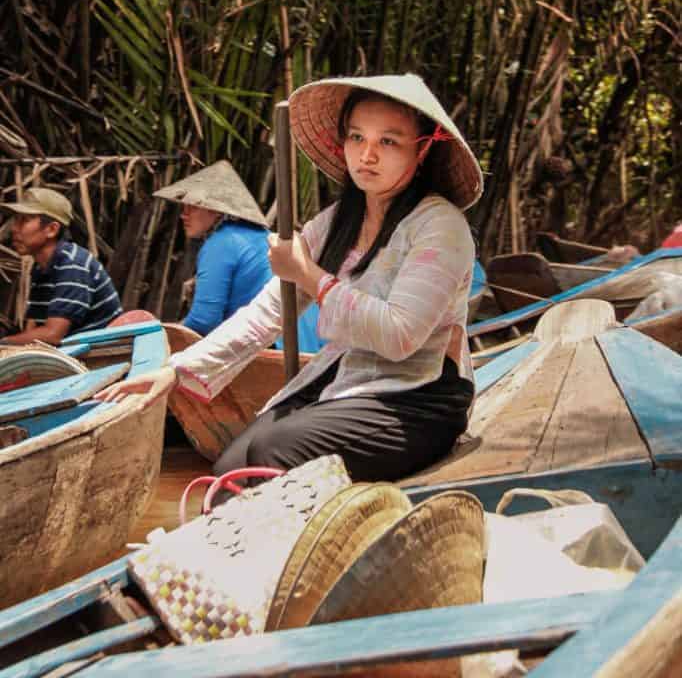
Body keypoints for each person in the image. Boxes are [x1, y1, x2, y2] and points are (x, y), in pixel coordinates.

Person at [97, 74, 483, 483]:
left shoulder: (440, 225)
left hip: (420, 398)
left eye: (388, 142)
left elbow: (399, 334)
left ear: (422, 150)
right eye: (356, 138)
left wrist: (307, 273)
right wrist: (175, 370)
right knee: (230, 467)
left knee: (272, 451)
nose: (367, 155)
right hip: (349, 380)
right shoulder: (336, 223)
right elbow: (265, 314)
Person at [155, 161, 273, 336]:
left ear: (217, 211)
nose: (184, 214)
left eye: (193, 206)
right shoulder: (262, 235)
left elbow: (203, 322)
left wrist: (164, 336)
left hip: (273, 346)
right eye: (184, 206)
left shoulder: (222, 243)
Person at [1, 187, 122, 345]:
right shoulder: (41, 267)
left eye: (24, 220)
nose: (14, 228)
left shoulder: (73, 264)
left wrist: (4, 343)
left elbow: (52, 335)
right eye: (16, 220)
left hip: (100, 353)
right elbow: (34, 327)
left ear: (51, 229)